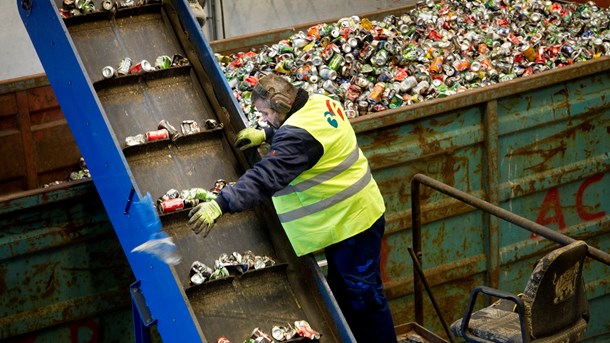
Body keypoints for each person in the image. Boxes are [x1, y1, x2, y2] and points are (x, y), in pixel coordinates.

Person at [188, 73, 397, 342]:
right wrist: (267, 132)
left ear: (281, 106)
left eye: (265, 114)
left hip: (352, 224)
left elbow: (266, 177)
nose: (262, 118)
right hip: (354, 216)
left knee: (363, 299)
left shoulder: (298, 136)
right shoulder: (320, 102)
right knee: (347, 293)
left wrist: (220, 204)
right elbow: (309, 131)